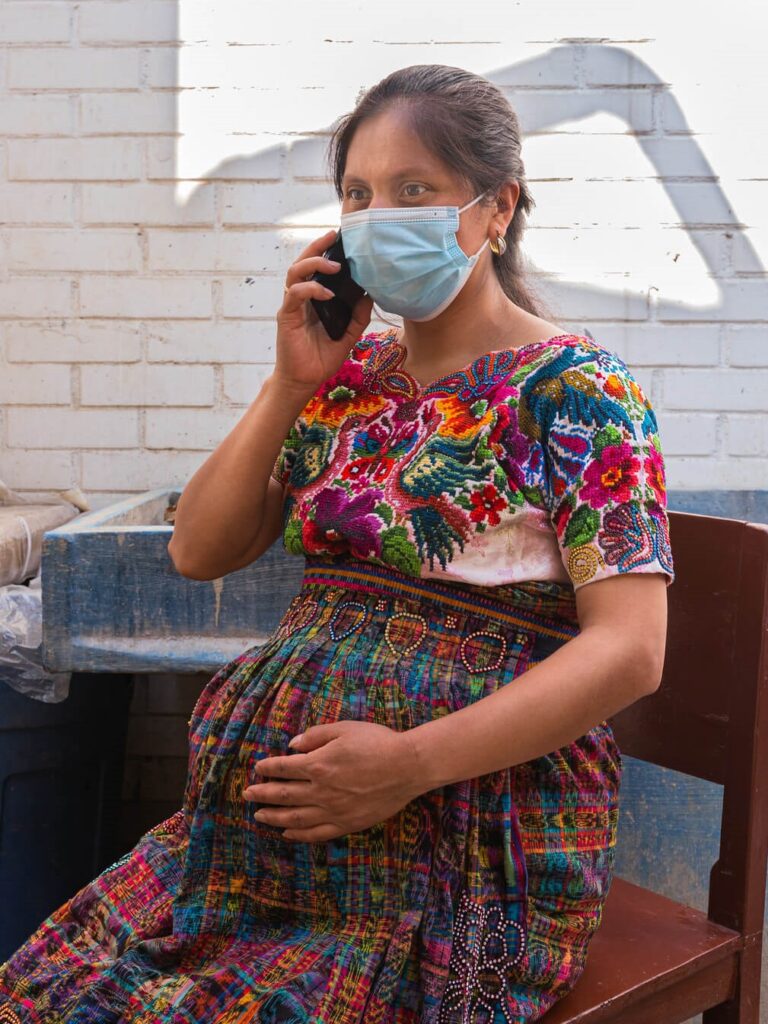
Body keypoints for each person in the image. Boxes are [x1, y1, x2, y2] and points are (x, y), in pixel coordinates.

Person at [0, 64, 674, 1023]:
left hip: (461, 848)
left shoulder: (576, 394)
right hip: (246, 853)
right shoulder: (343, 379)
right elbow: (199, 550)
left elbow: (631, 650)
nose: (375, 215)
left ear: (495, 210)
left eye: (414, 192)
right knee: (47, 996)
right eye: (357, 194)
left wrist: (408, 765)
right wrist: (289, 381)